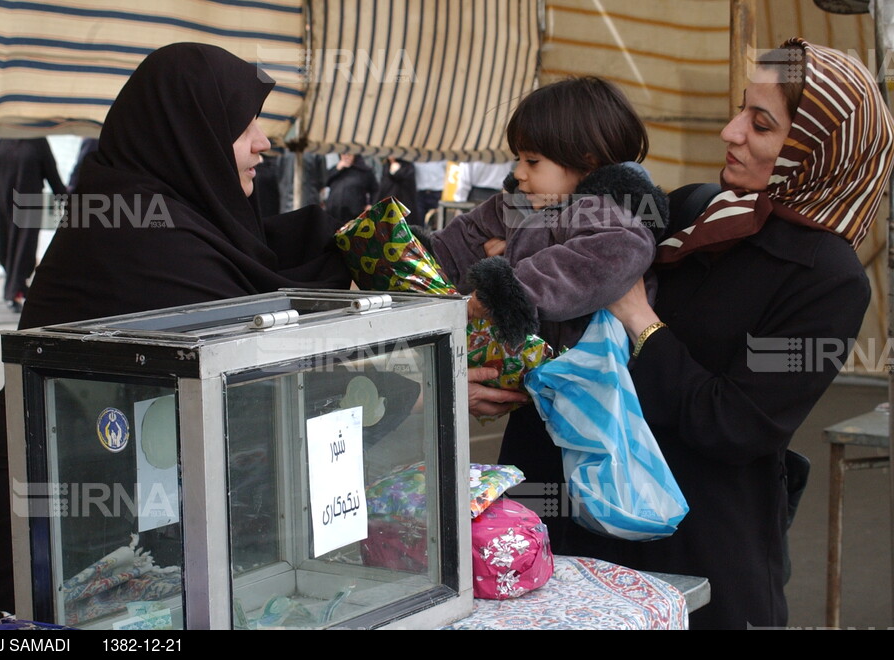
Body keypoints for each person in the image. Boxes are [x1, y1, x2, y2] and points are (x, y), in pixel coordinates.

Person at [0, 42, 351, 630]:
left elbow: (264, 262)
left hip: (128, 545)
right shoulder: (136, 229)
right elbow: (251, 341)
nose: (263, 141)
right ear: (189, 134)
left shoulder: (170, 214)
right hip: (50, 567)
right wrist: (381, 384)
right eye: (243, 125)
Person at [578, 39, 894, 630]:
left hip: (707, 551)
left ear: (814, 151)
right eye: (741, 109)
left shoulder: (828, 278)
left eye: (762, 124)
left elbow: (735, 424)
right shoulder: (699, 211)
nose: (730, 131)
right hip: (601, 524)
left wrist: (640, 318)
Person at [429, 77, 667, 530]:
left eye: (532, 160)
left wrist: (509, 289)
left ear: (588, 161)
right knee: (527, 510)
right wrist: (418, 260)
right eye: (518, 158)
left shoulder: (611, 214)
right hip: (536, 395)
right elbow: (463, 239)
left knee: (588, 500)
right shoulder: (524, 202)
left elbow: (608, 256)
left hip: (592, 388)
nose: (519, 171)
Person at [0, 137, 67, 312]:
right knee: (4, 248)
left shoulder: (38, 140)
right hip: (0, 203)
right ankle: (18, 287)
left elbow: (51, 172)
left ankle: (13, 292)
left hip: (29, 203)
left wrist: (67, 200)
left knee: (24, 248)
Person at [324, 152, 379, 222]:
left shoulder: (364, 171)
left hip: (354, 215)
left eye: (349, 154)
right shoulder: (336, 169)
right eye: (343, 154)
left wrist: (371, 205)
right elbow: (324, 182)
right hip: (333, 215)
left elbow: (375, 190)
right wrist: (336, 169)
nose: (346, 156)